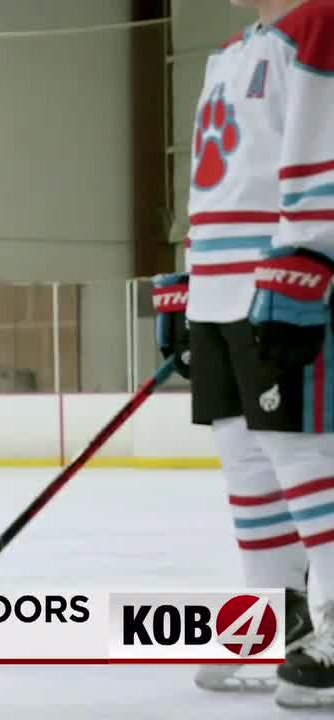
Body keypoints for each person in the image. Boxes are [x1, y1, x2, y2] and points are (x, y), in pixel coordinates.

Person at [152, 0, 334, 705]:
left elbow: (320, 145)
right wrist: (192, 273)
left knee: (305, 455)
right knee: (246, 458)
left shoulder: (316, 23)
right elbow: (221, 176)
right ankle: (270, 623)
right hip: (219, 289)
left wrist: (308, 254)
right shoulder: (230, 53)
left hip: (278, 278)